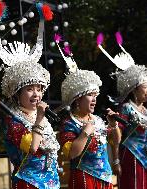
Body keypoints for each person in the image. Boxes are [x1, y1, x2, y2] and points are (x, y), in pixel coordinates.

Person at [0, 3, 60, 189]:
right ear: (17, 93)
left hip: (51, 183)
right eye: (29, 89)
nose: (36, 94)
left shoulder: (40, 117)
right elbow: (32, 147)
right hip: (28, 183)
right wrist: (39, 118)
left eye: (39, 89)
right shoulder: (14, 121)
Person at [97, 32, 147, 189]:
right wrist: (115, 160)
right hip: (131, 159)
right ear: (135, 90)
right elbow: (116, 138)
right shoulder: (127, 109)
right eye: (145, 88)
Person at [55, 36, 120, 189]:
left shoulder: (97, 119)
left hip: (105, 177)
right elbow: (71, 154)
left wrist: (114, 124)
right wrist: (85, 133)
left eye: (95, 96)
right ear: (77, 99)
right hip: (84, 178)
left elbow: (115, 141)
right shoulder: (69, 123)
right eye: (90, 95)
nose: (94, 99)